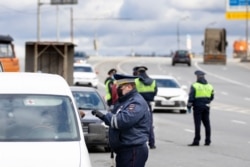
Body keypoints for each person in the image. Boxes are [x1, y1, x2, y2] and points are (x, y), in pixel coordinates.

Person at [92, 74, 151, 167]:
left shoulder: (135, 102)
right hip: (124, 150)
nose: (117, 89)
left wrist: (103, 116)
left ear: (129, 87)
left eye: (120, 87)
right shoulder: (124, 101)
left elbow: (122, 121)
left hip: (133, 150)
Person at [187, 70, 214, 146]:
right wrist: (207, 101)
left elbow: (191, 97)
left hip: (198, 106)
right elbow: (212, 97)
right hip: (206, 106)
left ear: (198, 76)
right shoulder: (209, 86)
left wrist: (189, 105)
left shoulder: (195, 85)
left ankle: (196, 140)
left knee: (197, 124)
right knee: (207, 124)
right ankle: (208, 140)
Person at [133, 66, 158, 149]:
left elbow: (133, 93)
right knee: (149, 123)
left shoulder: (136, 81)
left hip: (139, 104)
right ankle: (152, 143)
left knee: (136, 123)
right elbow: (155, 92)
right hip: (149, 103)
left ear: (139, 73)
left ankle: (138, 142)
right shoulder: (153, 81)